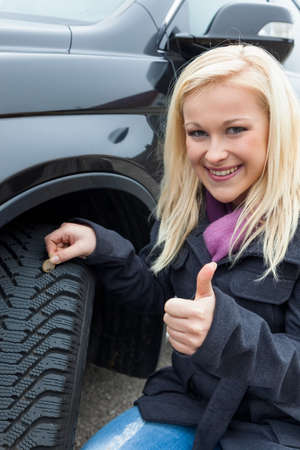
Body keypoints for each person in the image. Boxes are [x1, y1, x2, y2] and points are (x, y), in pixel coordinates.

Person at [45, 44, 300, 450]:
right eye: (198, 132)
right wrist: (106, 248)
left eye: (235, 129)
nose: (214, 153)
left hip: (276, 427)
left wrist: (225, 333)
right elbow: (159, 298)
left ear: (278, 128)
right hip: (188, 404)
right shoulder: (186, 209)